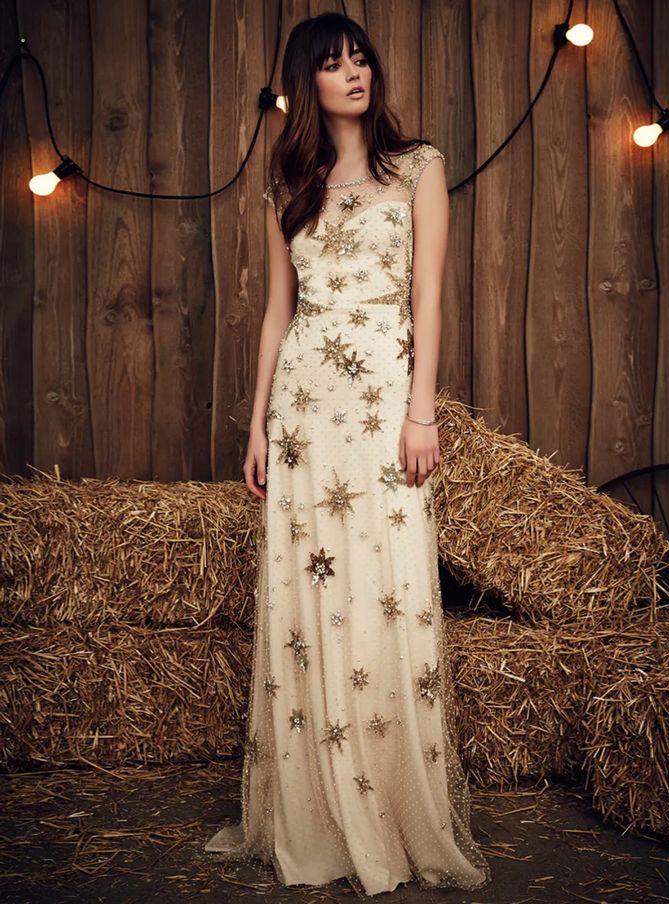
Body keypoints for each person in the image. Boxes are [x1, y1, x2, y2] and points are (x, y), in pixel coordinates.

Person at [204, 11, 492, 898]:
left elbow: (429, 302)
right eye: (333, 65)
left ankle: (389, 804)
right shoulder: (288, 184)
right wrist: (255, 427)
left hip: (381, 412)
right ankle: (314, 810)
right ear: (308, 85)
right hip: (301, 417)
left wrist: (421, 413)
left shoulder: (420, 170)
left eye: (360, 57)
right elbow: (275, 317)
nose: (354, 73)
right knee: (306, 597)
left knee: (388, 588)